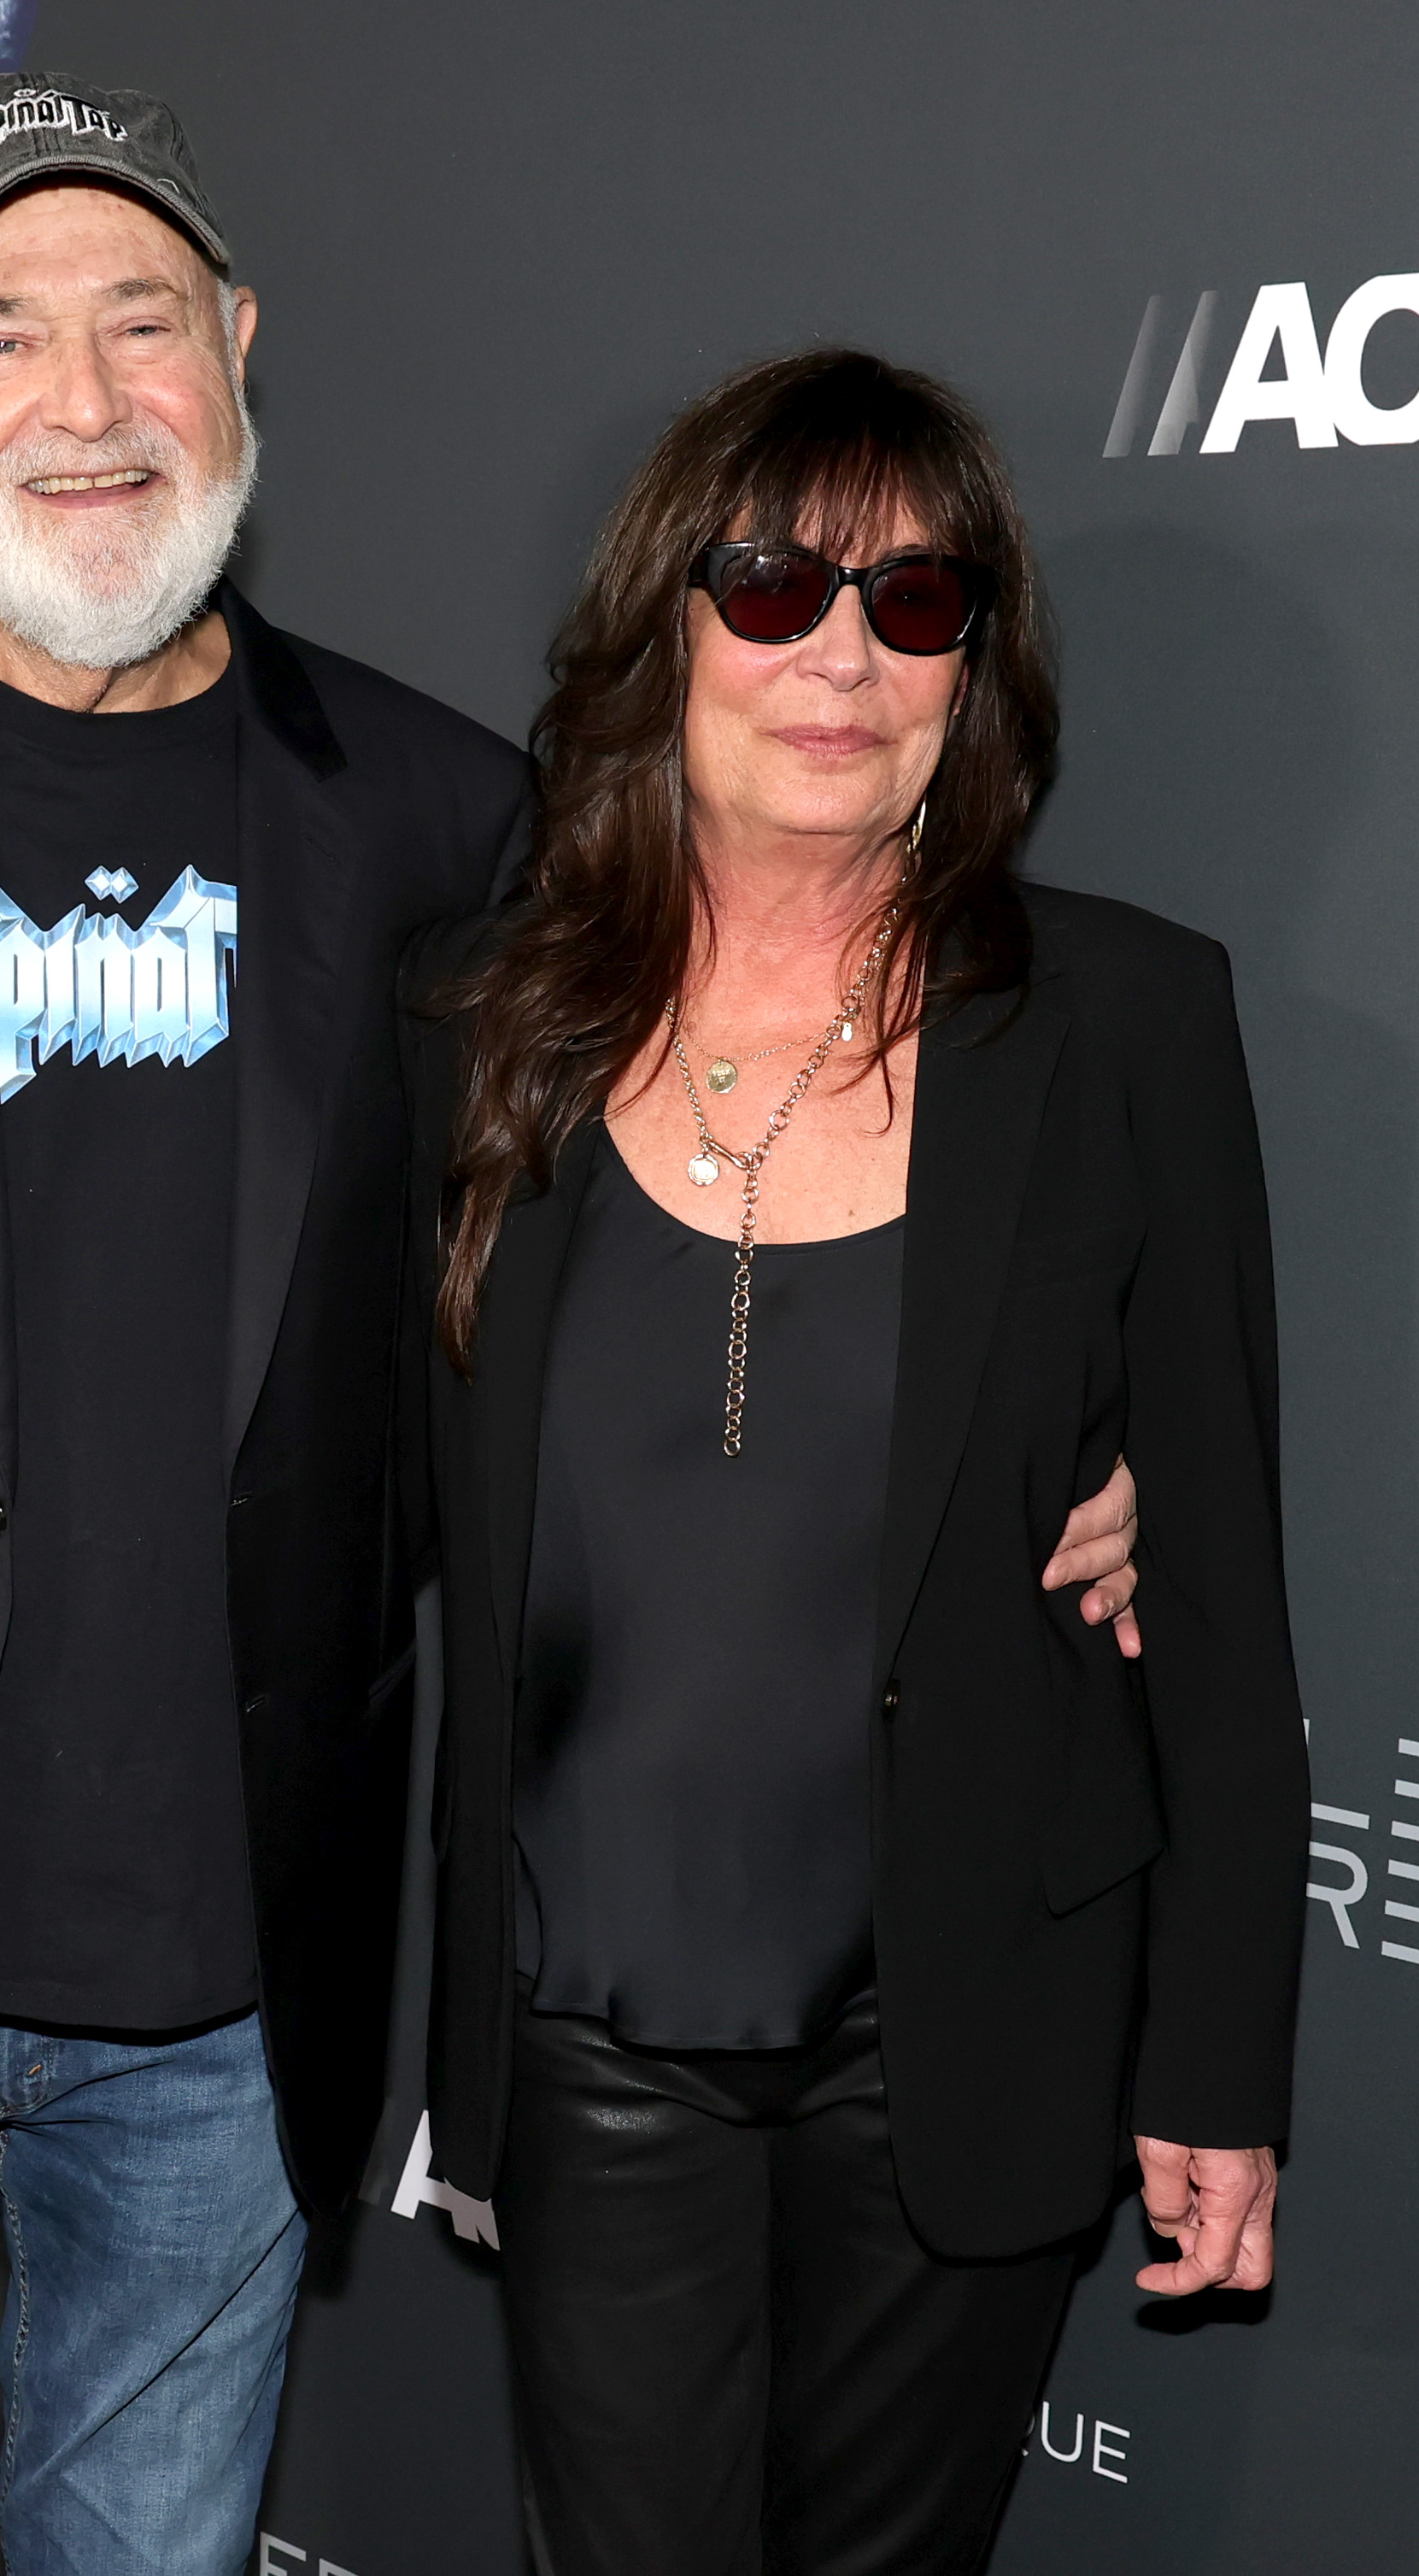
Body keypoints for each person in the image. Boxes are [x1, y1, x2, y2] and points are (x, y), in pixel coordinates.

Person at [0, 73, 1147, 2570]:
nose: (85, 399)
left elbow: (647, 1293)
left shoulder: (444, 824)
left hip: (232, 1977)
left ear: (236, 350)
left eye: (142, 321)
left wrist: (1043, 1465)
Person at [407, 349, 1308, 2576]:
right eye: (772, 585)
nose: (841, 657)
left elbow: (1218, 1596)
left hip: (963, 2027)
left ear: (971, 670)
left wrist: (1218, 2066)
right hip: (589, 2024)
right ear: (666, 626)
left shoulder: (1124, 1022)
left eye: (913, 603)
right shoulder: (475, 1025)